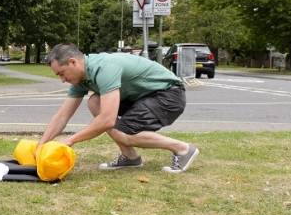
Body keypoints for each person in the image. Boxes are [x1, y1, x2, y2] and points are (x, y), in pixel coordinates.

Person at [36, 43, 198, 173]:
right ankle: (130, 157)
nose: (63, 80)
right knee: (95, 102)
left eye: (62, 73)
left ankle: (183, 149)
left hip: (168, 95)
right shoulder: (81, 78)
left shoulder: (104, 68)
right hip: (142, 97)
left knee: (122, 133)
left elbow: (107, 119)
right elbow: (62, 116)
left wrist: (69, 141)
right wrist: (40, 146)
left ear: (73, 62)